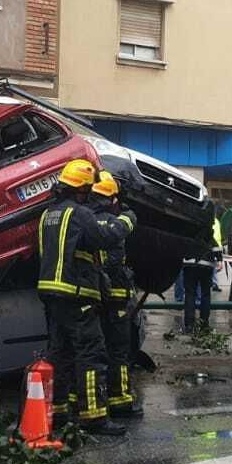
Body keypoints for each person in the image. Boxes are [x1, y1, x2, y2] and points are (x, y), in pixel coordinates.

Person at [36, 159, 129, 436]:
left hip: (52, 294)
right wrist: (126, 222)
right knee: (91, 353)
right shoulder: (79, 213)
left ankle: (60, 411)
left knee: (59, 353)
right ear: (82, 189)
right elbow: (104, 238)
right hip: (77, 295)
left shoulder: (47, 214)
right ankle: (94, 417)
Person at [89, 171, 141, 419]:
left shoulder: (83, 219)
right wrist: (128, 211)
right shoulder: (118, 221)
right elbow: (130, 222)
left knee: (93, 352)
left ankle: (93, 400)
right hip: (117, 298)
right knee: (119, 351)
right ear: (112, 199)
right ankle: (120, 400)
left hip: (93, 298)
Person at [180, 216, 223, 334]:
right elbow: (216, 246)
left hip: (190, 266)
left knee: (190, 294)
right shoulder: (209, 232)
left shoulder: (188, 229)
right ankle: (204, 324)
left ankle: (189, 325)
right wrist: (219, 259)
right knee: (205, 294)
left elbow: (182, 245)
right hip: (206, 267)